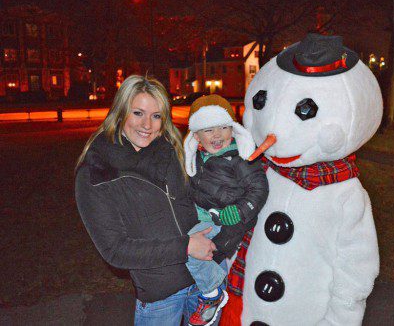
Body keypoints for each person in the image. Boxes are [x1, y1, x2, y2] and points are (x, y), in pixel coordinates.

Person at [75, 75, 219, 326]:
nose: (147, 125)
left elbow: (192, 203)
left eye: (156, 116)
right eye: (138, 113)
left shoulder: (172, 149)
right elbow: (115, 251)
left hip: (205, 282)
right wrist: (185, 247)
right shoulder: (97, 171)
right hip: (161, 297)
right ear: (120, 113)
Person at [183, 95, 269, 326]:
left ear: (234, 129)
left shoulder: (240, 157)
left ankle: (212, 294)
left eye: (223, 127)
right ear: (196, 135)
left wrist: (239, 211)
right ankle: (214, 285)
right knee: (183, 247)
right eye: (209, 130)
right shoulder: (199, 157)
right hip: (205, 216)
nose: (218, 135)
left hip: (226, 219)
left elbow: (258, 188)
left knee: (189, 251)